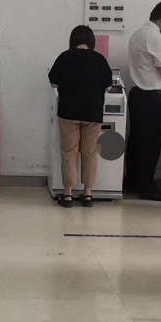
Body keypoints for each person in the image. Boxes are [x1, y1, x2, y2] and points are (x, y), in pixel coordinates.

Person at [122, 1, 161, 200]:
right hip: (152, 98)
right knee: (150, 145)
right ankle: (147, 188)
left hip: (137, 94)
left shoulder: (137, 34)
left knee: (136, 142)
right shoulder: (155, 38)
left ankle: (132, 182)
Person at [48, 25, 114, 208]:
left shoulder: (64, 57)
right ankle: (87, 194)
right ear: (91, 41)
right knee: (89, 152)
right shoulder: (99, 60)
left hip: (68, 112)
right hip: (93, 113)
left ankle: (68, 194)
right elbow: (109, 86)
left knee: (69, 152)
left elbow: (53, 83)